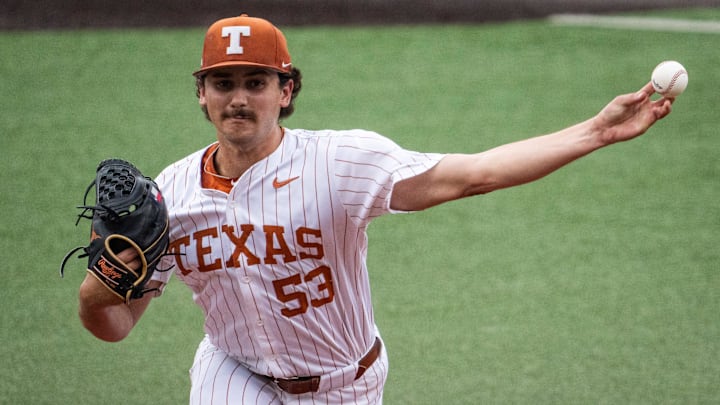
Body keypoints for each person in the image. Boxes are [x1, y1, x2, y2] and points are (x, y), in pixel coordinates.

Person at [76, 14, 674, 404]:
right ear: (201, 94)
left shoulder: (340, 163)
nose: (238, 98)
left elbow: (476, 176)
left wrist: (595, 131)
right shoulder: (168, 198)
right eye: (223, 82)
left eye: (256, 82)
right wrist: (100, 288)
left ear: (286, 92)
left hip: (347, 384)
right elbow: (113, 326)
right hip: (236, 377)